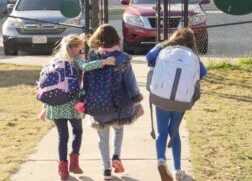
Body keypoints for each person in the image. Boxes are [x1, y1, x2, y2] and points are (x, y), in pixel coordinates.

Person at [39, 34, 116, 181]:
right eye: (81, 50)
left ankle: (63, 170)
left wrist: (45, 107)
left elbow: (47, 86)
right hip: (73, 103)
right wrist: (104, 61)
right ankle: (74, 163)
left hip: (55, 106)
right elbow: (86, 67)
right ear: (74, 49)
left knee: (62, 137)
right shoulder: (75, 60)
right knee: (77, 131)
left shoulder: (54, 61)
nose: (83, 53)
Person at [146, 28, 207, 181]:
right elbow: (203, 72)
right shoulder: (192, 56)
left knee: (162, 132)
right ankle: (178, 170)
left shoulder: (165, 49)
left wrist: (161, 45)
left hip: (161, 96)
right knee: (174, 132)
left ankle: (161, 160)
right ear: (191, 42)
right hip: (181, 101)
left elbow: (149, 56)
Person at [86, 24, 144, 180]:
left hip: (98, 105)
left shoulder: (92, 58)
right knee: (118, 130)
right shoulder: (122, 58)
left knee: (102, 137)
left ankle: (106, 170)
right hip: (119, 105)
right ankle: (116, 156)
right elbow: (131, 84)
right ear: (116, 39)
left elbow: (85, 82)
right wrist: (137, 103)